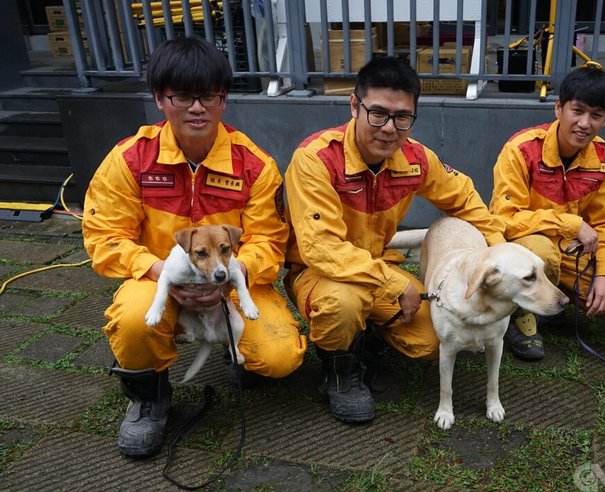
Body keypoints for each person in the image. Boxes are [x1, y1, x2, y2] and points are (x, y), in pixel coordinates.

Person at [82, 36, 307, 457]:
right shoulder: (129, 160)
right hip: (158, 279)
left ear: (224, 100)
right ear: (159, 100)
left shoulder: (254, 164)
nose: (198, 107)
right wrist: (155, 271)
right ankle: (149, 395)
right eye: (183, 96)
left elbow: (269, 241)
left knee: (279, 355)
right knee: (134, 320)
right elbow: (105, 237)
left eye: (210, 96)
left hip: (228, 279)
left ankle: (234, 351)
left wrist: (225, 280)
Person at [283, 55, 505, 424]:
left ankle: (368, 336)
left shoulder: (416, 158)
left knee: (433, 341)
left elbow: (464, 196)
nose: (389, 128)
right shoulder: (316, 159)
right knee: (343, 301)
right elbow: (320, 248)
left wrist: (496, 250)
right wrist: (393, 284)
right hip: (318, 273)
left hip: (379, 265)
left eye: (402, 117)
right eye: (378, 114)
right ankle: (339, 375)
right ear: (354, 105)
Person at [489, 65, 605, 361]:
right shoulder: (521, 150)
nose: (585, 124)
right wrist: (571, 224)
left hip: (571, 254)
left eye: (596, 115)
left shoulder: (603, 158)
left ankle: (551, 300)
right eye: (578, 111)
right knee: (541, 250)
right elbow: (504, 219)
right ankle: (521, 317)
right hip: (527, 248)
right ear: (559, 108)